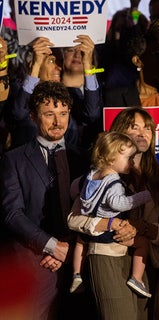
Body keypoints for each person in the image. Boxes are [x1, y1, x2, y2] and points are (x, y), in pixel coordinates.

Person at [67, 108, 159, 319]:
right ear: (118, 135)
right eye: (134, 127)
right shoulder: (99, 176)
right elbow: (73, 219)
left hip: (145, 264)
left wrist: (142, 228)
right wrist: (110, 224)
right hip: (106, 256)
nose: (142, 133)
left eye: (147, 128)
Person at [1, 81, 89, 319]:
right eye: (49, 114)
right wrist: (53, 247)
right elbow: (12, 214)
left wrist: (69, 249)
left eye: (63, 114)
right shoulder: (14, 160)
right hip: (35, 261)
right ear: (32, 116)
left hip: (78, 260)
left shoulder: (83, 158)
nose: (58, 122)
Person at [70, 132, 153, 298]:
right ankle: (136, 278)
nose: (132, 163)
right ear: (112, 157)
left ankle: (77, 274)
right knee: (143, 243)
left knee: (80, 241)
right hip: (107, 234)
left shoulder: (92, 175)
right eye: (129, 158)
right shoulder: (114, 181)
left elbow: (75, 193)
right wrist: (144, 196)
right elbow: (119, 204)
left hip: (89, 231)